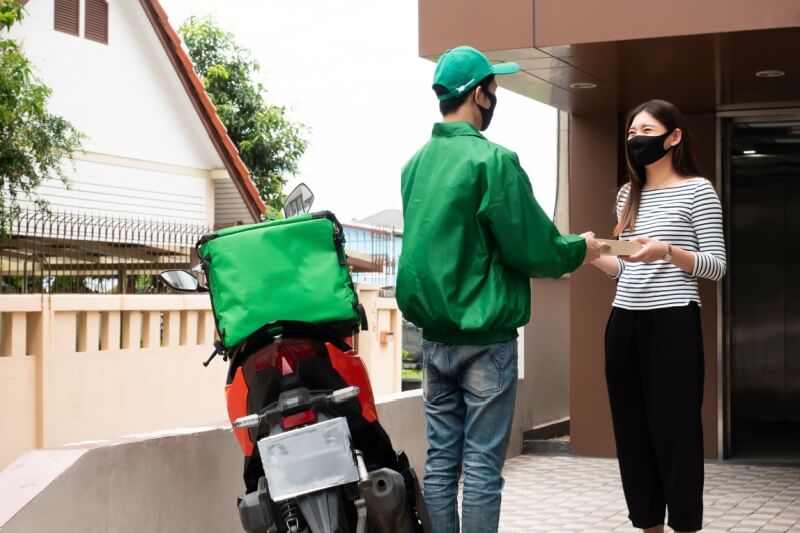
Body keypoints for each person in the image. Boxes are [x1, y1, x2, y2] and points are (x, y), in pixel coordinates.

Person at [396, 45, 607, 533]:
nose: (496, 95)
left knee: (442, 463)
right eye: (494, 87)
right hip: (486, 342)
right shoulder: (494, 162)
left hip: (434, 341)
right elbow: (534, 247)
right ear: (479, 95)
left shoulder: (414, 166)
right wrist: (585, 248)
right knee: (483, 470)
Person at [586, 99, 727, 533]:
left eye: (646, 131)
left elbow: (716, 266)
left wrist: (668, 250)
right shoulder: (627, 195)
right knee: (633, 436)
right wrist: (592, 256)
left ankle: (684, 524)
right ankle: (648, 526)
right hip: (624, 323)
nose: (636, 140)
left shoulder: (698, 190)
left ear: (673, 136)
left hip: (673, 323)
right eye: (630, 133)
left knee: (677, 435)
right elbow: (625, 268)